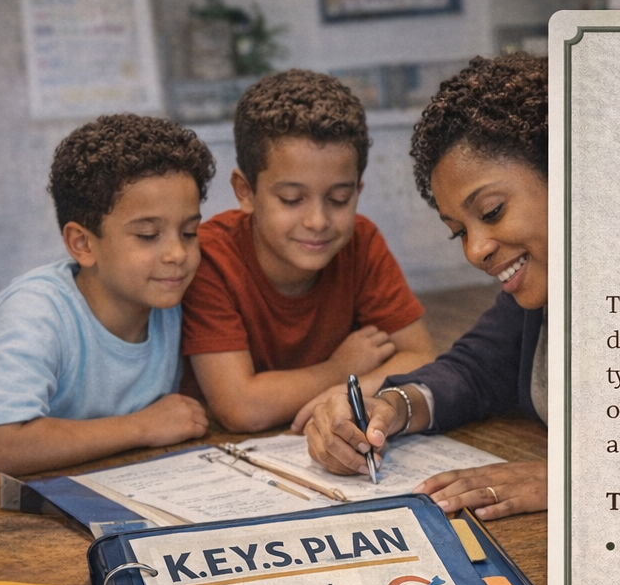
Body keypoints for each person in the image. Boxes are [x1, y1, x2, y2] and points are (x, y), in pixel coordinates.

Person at [305, 55, 547, 520]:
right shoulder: (541, 300)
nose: (475, 250)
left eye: (492, 211)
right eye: (459, 232)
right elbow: (473, 372)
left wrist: (575, 478)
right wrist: (391, 408)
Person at [0, 115, 213, 475]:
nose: (177, 254)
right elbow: (1, 446)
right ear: (82, 244)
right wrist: (142, 426)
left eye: (189, 232)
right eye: (148, 236)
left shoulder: (174, 299)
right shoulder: (35, 312)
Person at [184, 69, 435, 433]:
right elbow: (242, 407)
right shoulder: (210, 257)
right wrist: (340, 370)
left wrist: (345, 394)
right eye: (291, 199)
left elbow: (421, 356)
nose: (318, 221)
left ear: (357, 191)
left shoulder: (361, 241)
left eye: (339, 199)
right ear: (245, 192)